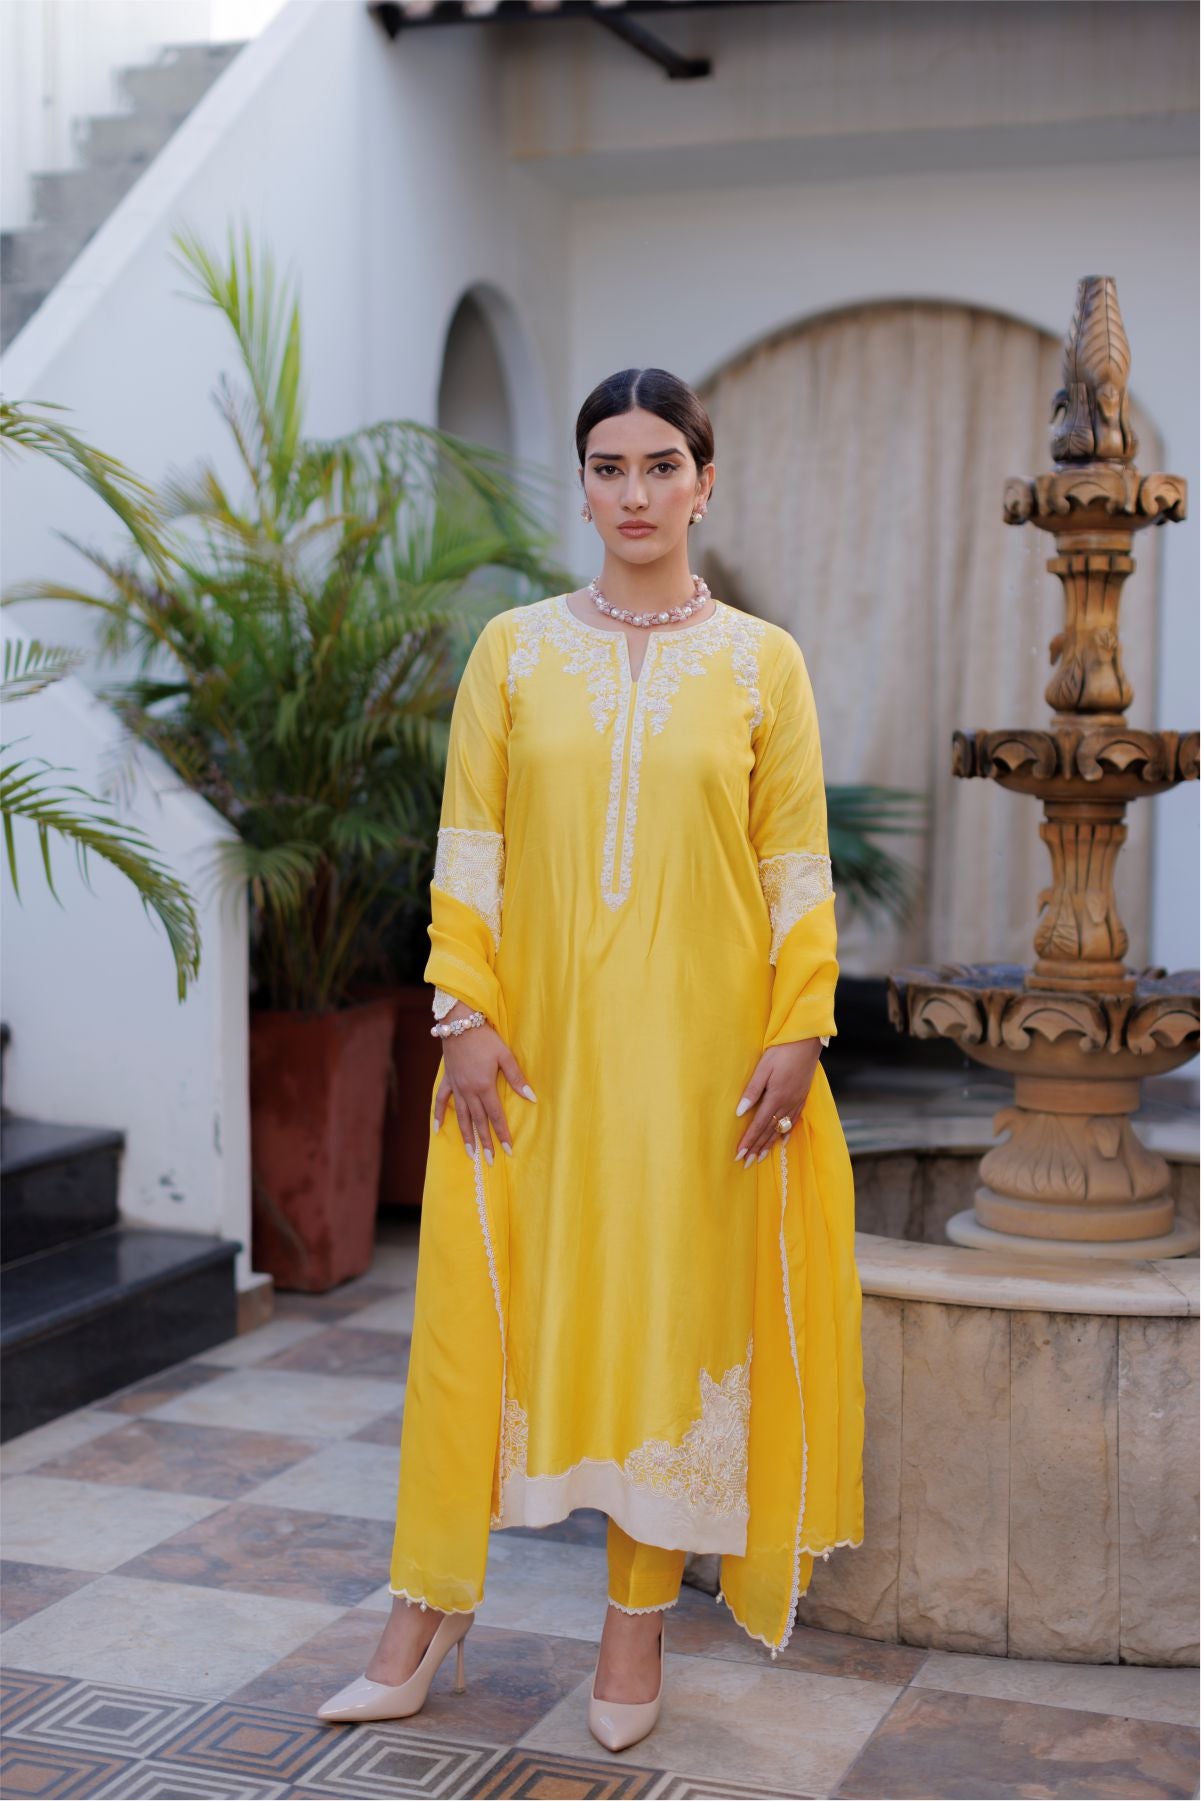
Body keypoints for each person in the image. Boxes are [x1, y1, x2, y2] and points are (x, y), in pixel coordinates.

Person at [319, 368, 864, 1752]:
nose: (634, 492)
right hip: (530, 1052)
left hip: (699, 1064)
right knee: (477, 1319)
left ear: (704, 481)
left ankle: (635, 1626)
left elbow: (794, 866)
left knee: (666, 1321)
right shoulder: (511, 650)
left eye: (660, 465)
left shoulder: (762, 661)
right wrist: (466, 1016)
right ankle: (424, 1607)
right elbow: (469, 852)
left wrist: (797, 1028)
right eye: (608, 467)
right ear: (581, 485)